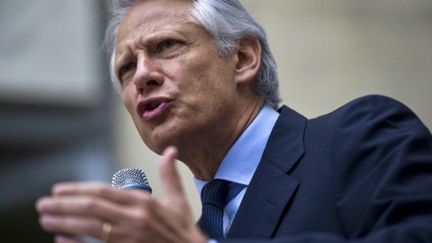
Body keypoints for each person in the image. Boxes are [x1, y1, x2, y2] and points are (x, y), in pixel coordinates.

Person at [36, 0, 432, 242]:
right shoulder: (196, 232)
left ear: (242, 58)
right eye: (126, 68)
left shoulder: (361, 137)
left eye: (166, 45)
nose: (141, 76)